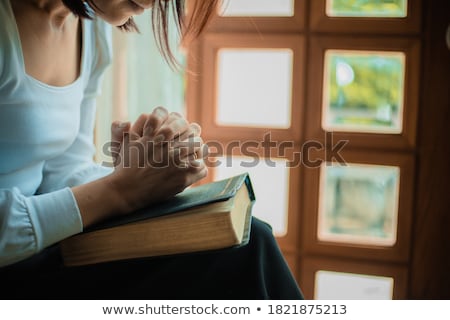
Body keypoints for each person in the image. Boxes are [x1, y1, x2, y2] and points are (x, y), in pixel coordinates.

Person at [0, 0, 303, 299]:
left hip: (39, 252)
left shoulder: (90, 28)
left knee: (249, 240)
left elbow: (61, 170)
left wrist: (137, 174)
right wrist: (120, 191)